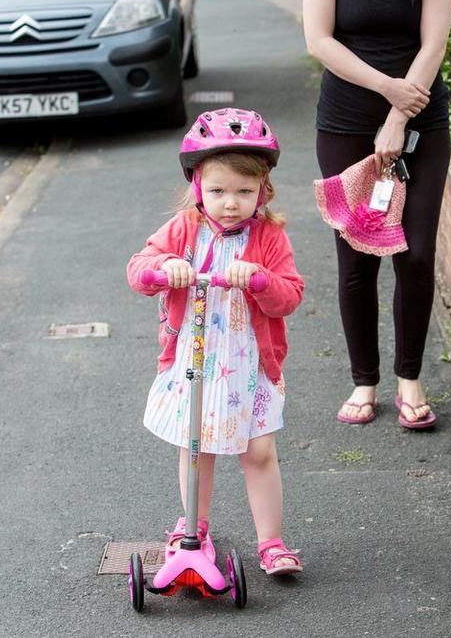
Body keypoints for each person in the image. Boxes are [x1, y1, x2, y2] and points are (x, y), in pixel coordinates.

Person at [302, 0, 451, 429]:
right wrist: (386, 89)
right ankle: (364, 384)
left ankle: (409, 382)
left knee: (415, 254)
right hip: (343, 122)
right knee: (356, 256)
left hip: (420, 123)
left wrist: (399, 114)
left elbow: (434, 40)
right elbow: (319, 40)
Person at [127, 108, 305, 575]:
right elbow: (138, 271)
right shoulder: (184, 229)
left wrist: (261, 280)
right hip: (194, 360)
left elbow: (290, 296)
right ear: (197, 187)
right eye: (218, 191)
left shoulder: (269, 237)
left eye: (245, 192)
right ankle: (194, 527)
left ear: (263, 189)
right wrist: (164, 270)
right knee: (195, 445)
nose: (231, 203)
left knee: (259, 451)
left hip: (249, 365)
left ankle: (271, 542)